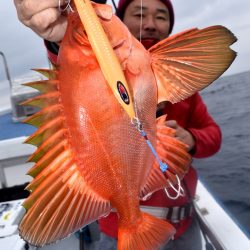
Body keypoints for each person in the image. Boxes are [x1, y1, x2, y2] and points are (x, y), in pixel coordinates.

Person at [14, 0, 222, 249]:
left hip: (184, 226)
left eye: (162, 17)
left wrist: (191, 139)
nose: (151, 24)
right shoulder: (79, 61)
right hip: (117, 231)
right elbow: (68, 60)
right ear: (122, 17)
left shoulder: (186, 89)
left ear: (169, 26)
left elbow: (214, 136)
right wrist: (58, 36)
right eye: (140, 14)